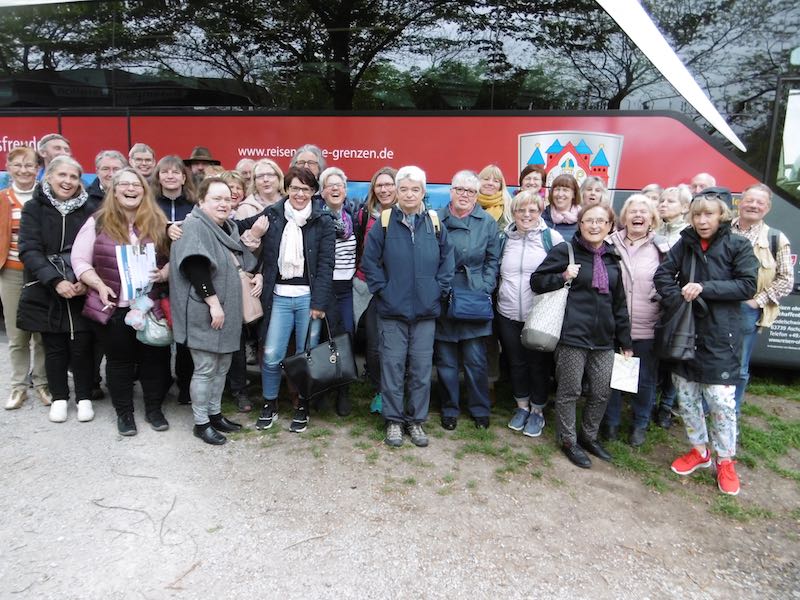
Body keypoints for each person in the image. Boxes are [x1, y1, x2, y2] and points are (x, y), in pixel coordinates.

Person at [654, 187, 758, 496]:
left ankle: (725, 460)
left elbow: (747, 285)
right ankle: (699, 450)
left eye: (708, 214)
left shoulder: (738, 245)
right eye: (697, 214)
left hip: (720, 337)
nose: (702, 220)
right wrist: (680, 299)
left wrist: (703, 288)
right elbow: (663, 276)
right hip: (685, 333)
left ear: (722, 215)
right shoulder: (684, 244)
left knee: (721, 403)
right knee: (686, 398)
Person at [72, 168, 172, 436]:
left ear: (144, 190)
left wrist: (164, 272)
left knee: (155, 360)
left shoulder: (158, 221)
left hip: (150, 305)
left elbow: (176, 257)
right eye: (124, 184)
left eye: (136, 184)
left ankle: (153, 409)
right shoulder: (98, 222)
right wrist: (98, 285)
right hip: (114, 306)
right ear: (114, 191)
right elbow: (79, 260)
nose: (131, 189)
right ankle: (124, 414)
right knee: (120, 362)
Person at [532, 204, 633, 469]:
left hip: (603, 338)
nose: (595, 226)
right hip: (572, 336)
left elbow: (619, 303)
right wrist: (563, 275)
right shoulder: (565, 251)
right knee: (570, 391)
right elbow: (536, 282)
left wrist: (625, 342)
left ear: (610, 225)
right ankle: (568, 440)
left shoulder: (612, 258)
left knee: (601, 392)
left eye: (601, 221)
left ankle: (589, 437)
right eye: (589, 220)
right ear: (580, 224)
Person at [236, 167, 334, 434]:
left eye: (305, 189)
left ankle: (303, 405)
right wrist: (185, 225)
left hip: (308, 300)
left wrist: (320, 303)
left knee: (305, 357)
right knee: (270, 355)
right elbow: (235, 226)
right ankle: (270, 403)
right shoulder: (273, 214)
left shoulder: (322, 221)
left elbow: (326, 265)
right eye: (294, 188)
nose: (299, 194)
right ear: (286, 188)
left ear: (313, 192)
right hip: (278, 297)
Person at [362, 166, 454, 448]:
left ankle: (415, 421)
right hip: (392, 312)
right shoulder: (385, 222)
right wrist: (384, 292)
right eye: (404, 189)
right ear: (397, 192)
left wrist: (438, 290)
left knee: (421, 369)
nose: (409, 194)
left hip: (426, 312)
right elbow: (370, 262)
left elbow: (447, 261)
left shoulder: (435, 222)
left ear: (423, 192)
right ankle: (393, 420)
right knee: (392, 366)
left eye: (415, 189)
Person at [170, 177, 255, 445]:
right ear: (201, 201)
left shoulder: (227, 227)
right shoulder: (194, 226)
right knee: (206, 368)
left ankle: (215, 414)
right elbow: (196, 268)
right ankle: (201, 422)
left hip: (226, 311)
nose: (223, 203)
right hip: (207, 310)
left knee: (221, 368)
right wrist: (214, 304)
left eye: (227, 198)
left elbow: (242, 261)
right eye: (216, 198)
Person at [17, 156, 100, 423]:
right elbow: (29, 249)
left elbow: (95, 247)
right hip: (46, 285)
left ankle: (85, 396)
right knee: (53, 345)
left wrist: (83, 279)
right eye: (62, 175)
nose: (67, 181)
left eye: (74, 177)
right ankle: (60, 397)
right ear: (49, 177)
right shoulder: (33, 207)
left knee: (81, 345)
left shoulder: (89, 209)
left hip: (79, 284)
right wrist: (55, 280)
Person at [435, 170, 500, 430]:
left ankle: (479, 409)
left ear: (476, 196)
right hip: (443, 297)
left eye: (470, 191)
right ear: (450, 191)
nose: (464, 195)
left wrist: (485, 285)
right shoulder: (435, 218)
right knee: (446, 360)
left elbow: (493, 260)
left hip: (474, 296)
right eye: (459, 189)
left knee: (476, 359)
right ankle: (449, 409)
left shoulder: (487, 222)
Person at [603, 194, 669, 447]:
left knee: (645, 379)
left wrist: (660, 294)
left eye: (644, 211)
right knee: (612, 377)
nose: (638, 215)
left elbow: (671, 281)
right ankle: (611, 422)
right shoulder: (609, 244)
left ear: (652, 218)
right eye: (633, 211)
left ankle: (640, 424)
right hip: (613, 324)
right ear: (624, 217)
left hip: (647, 324)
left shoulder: (663, 249)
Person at [497, 190, 564, 437]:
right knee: (516, 362)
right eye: (521, 210)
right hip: (507, 312)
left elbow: (564, 272)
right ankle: (521, 406)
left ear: (540, 212)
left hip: (540, 314)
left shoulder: (552, 238)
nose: (526, 215)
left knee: (538, 364)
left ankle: (537, 411)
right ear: (513, 212)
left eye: (532, 210)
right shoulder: (504, 238)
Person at [731, 183, 794, 414]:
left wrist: (756, 302)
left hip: (747, 308)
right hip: (716, 306)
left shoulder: (776, 238)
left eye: (760, 203)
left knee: (739, 366)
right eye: (749, 200)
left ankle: (732, 412)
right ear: (740, 202)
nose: (753, 206)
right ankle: (707, 407)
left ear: (767, 209)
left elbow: (786, 280)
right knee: (709, 357)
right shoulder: (722, 229)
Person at [1, 146, 51, 409]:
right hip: (10, 272)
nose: (24, 170)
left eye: (29, 165)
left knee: (41, 333)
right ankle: (18, 387)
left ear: (38, 169)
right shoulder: (2, 199)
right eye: (18, 165)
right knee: (17, 334)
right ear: (9, 168)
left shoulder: (46, 198)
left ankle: (42, 383)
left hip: (39, 273)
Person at [151, 155, 196, 405]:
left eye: (175, 172)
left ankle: (185, 385)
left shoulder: (193, 204)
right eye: (165, 172)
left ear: (183, 176)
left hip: (185, 275)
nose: (170, 176)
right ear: (158, 177)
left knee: (184, 337)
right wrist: (165, 227)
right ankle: (158, 384)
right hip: (154, 275)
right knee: (157, 334)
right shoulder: (149, 203)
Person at [353, 167, 397, 415]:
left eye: (389, 184)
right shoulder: (364, 215)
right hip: (368, 287)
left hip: (396, 290)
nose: (384, 189)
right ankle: (380, 390)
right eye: (379, 185)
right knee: (374, 345)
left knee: (397, 344)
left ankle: (397, 391)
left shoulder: (408, 214)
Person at [653, 184, 693, 429]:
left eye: (670, 201)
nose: (663, 204)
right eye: (662, 200)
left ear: (685, 207)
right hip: (653, 301)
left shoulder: (688, 235)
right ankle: (648, 402)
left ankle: (666, 405)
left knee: (674, 355)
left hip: (677, 303)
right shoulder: (655, 229)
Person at [320, 167, 357, 416]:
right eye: (330, 185)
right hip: (324, 286)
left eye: (339, 185)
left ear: (345, 190)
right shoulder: (315, 217)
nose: (335, 189)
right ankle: (322, 389)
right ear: (322, 192)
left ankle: (343, 390)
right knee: (323, 340)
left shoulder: (353, 216)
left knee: (347, 338)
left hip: (347, 287)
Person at [542, 173, 581, 241]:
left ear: (574, 194)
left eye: (565, 190)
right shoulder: (542, 216)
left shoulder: (582, 219)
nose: (560, 194)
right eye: (557, 189)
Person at [476, 164, 513, 230]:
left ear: (500, 186)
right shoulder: (469, 203)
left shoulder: (508, 206)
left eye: (496, 181)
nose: (490, 183)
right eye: (486, 179)